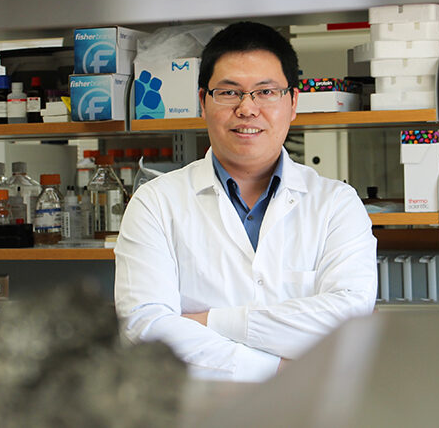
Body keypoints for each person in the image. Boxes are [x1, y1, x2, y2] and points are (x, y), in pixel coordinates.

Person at [113, 22, 377, 382]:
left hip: (306, 413)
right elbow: (145, 329)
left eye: (266, 92)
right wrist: (275, 369)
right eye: (228, 92)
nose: (247, 109)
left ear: (293, 102)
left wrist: (209, 321)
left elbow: (349, 321)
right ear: (202, 102)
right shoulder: (155, 203)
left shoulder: (337, 205)